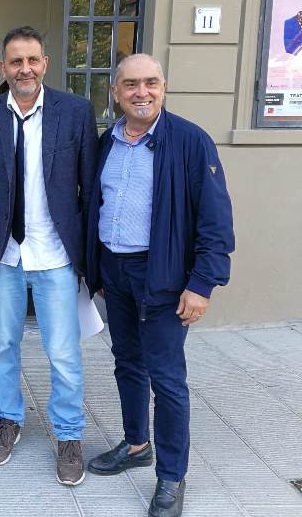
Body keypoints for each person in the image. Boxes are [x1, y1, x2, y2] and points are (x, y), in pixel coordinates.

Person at [84, 54, 234, 517]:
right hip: (116, 271)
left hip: (164, 275)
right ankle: (136, 445)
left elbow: (215, 220)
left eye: (150, 82)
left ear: (163, 88)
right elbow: (97, 204)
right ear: (116, 93)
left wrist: (202, 283)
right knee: (127, 362)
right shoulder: (107, 141)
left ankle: (171, 476)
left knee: (167, 379)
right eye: (131, 84)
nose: (141, 92)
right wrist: (98, 270)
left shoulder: (190, 141)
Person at [0, 26, 98, 485]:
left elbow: (91, 190)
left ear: (45, 64)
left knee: (63, 352)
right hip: (5, 254)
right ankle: (8, 421)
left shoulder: (75, 113)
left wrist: (89, 259)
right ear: (4, 67)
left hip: (56, 254)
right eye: (16, 61)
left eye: (32, 60)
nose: (25, 69)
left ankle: (69, 435)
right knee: (3, 346)